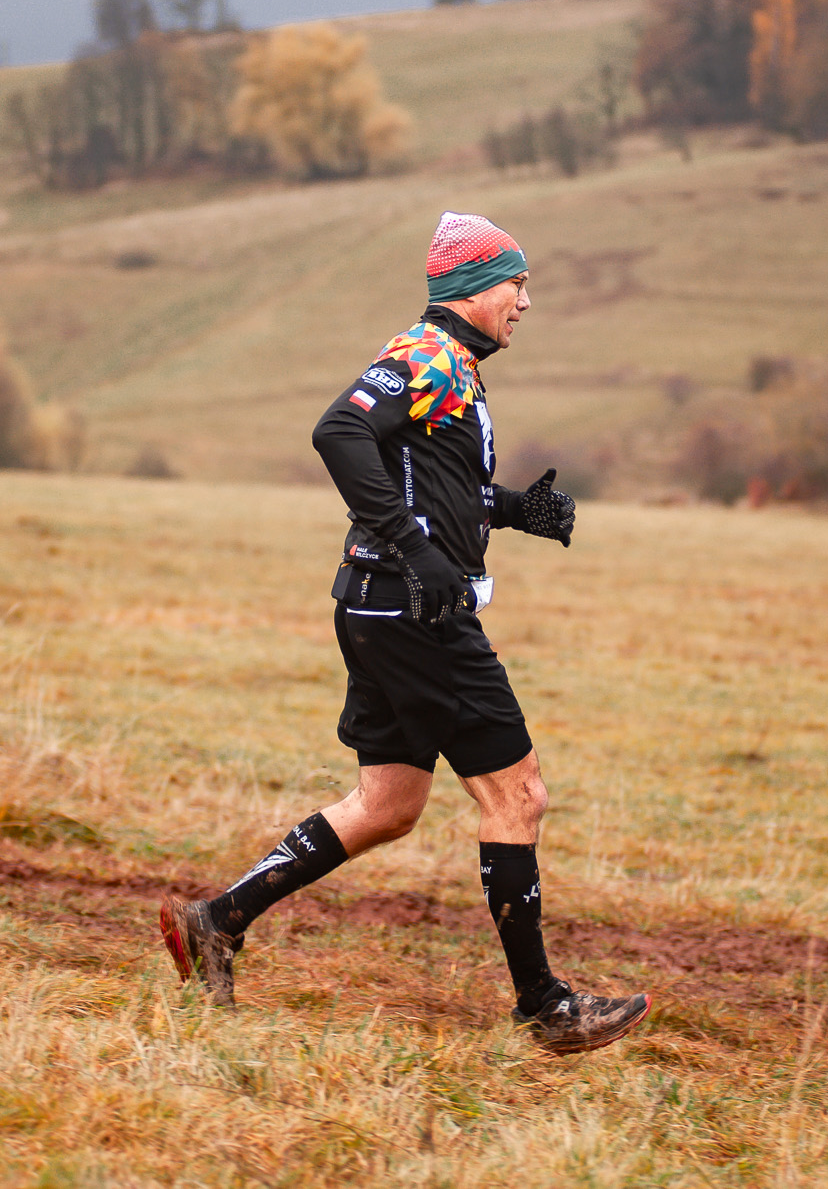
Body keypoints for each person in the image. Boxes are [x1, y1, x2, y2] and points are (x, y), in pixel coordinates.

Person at [160, 211, 650, 1056]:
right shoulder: (426, 355)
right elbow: (339, 432)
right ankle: (544, 1005)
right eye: (516, 284)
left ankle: (217, 920)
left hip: (378, 604)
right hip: (416, 612)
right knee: (518, 794)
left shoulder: (454, 367)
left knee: (387, 805)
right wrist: (416, 548)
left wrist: (516, 509)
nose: (526, 302)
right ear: (473, 286)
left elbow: (439, 486)